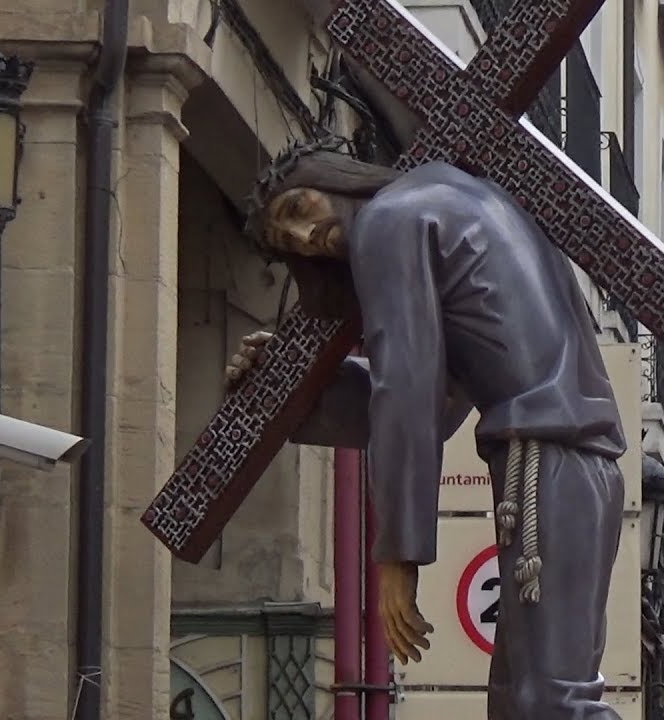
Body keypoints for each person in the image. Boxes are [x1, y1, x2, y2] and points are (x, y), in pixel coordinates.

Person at [227, 143, 627, 720]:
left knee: (551, 704)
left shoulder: (389, 219)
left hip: (548, 460)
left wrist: (398, 555)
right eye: (288, 243)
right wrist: (293, 392)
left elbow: (408, 392)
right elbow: (434, 399)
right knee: (521, 705)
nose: (307, 238)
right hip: (570, 463)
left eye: (297, 210)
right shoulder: (460, 204)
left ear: (334, 179)